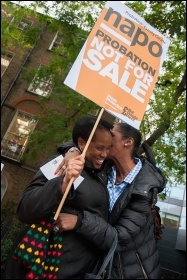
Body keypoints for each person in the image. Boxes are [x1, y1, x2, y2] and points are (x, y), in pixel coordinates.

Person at [2, 116, 113, 279]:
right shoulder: (61, 163)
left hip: (77, 271)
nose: (105, 154)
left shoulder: (105, 174)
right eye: (100, 148)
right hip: (44, 266)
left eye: (109, 148)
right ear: (82, 143)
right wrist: (62, 183)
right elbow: (25, 208)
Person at [54, 122, 166, 279]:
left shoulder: (144, 190)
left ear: (128, 142)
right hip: (92, 262)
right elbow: (84, 143)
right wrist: (72, 151)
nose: (105, 137)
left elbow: (119, 239)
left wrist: (79, 221)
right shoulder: (105, 166)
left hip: (126, 271)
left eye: (112, 135)